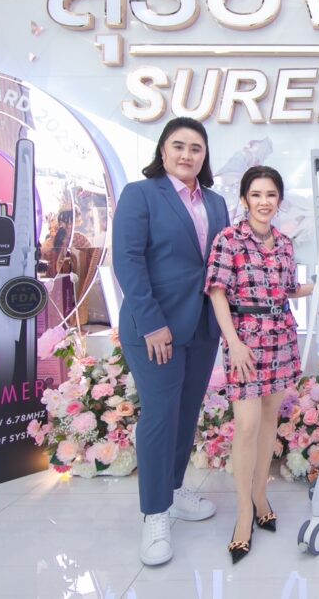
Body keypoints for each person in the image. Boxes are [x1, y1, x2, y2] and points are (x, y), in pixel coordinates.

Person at [112, 116, 230, 566]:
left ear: (205, 156)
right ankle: (155, 513)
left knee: (185, 414)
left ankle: (175, 490)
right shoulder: (141, 195)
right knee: (160, 417)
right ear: (162, 151)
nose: (187, 155)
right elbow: (128, 261)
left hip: (202, 326)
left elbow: (223, 265)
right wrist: (152, 323)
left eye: (196, 148)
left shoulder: (216, 202)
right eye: (178, 146)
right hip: (155, 329)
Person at [205, 165, 314, 564]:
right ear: (244, 199)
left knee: (269, 421)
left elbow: (288, 289)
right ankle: (244, 514)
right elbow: (217, 292)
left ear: (279, 200)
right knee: (247, 425)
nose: (264, 202)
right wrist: (233, 343)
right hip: (245, 342)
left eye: (271, 195)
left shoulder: (284, 243)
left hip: (281, 336)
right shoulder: (229, 239)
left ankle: (260, 494)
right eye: (256, 194)